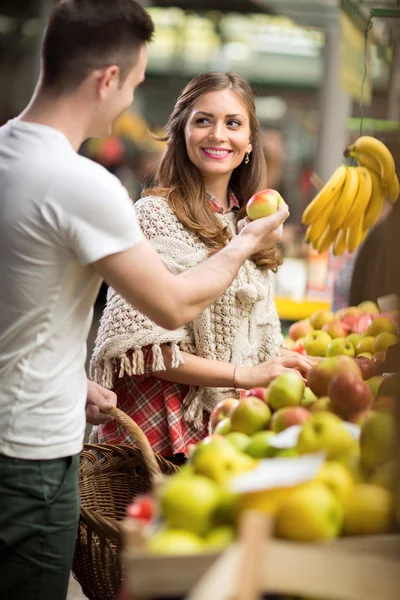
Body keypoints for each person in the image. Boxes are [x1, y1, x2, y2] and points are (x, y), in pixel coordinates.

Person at [0, 2, 289, 599]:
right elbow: (171, 308)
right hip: (32, 454)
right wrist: (248, 243)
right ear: (108, 80)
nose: (131, 100)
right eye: (132, 84)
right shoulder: (91, 188)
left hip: (41, 426)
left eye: (235, 123)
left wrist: (60, 378)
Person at [90, 72, 316, 460]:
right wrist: (244, 376)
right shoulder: (153, 214)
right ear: (182, 133)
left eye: (233, 123)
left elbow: (256, 338)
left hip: (229, 427)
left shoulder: (251, 222)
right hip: (160, 428)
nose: (217, 134)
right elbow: (145, 350)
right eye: (202, 120)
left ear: (248, 142)